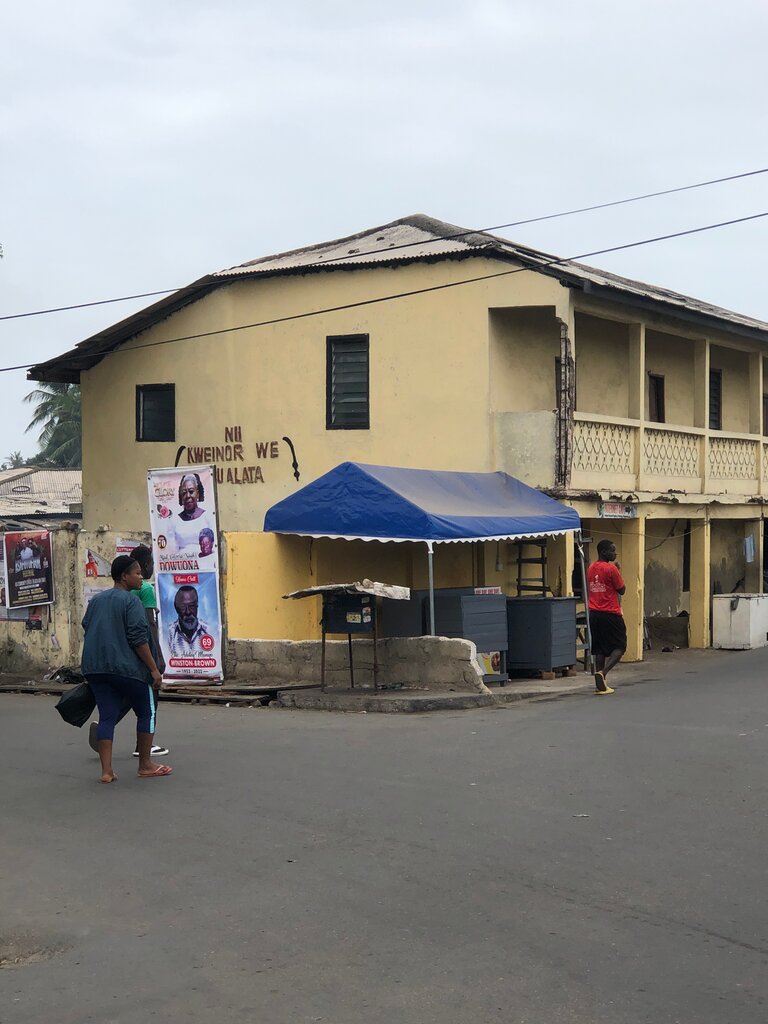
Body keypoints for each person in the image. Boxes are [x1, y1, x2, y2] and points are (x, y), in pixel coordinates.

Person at [81, 555, 172, 782]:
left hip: (95, 669)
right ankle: (146, 764)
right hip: (126, 669)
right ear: (124, 576)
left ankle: (106, 771)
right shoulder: (132, 602)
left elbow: (87, 626)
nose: (141, 578)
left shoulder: (96, 601)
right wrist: (154, 669)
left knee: (106, 717)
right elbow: (138, 639)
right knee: (147, 712)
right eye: (137, 573)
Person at [587, 539, 626, 694]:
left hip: (594, 613)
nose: (615, 553)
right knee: (620, 646)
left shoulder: (591, 568)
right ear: (603, 552)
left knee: (600, 649)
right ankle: (603, 673)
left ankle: (600, 685)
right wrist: (618, 571)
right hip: (610, 613)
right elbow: (622, 589)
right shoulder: (611, 569)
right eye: (612, 550)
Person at [167, 473, 215, 554]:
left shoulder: (208, 517)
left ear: (198, 494)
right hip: (182, 561)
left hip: (205, 560)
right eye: (184, 493)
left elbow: (214, 546)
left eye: (191, 491)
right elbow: (172, 550)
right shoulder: (174, 521)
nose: (188, 496)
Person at [167, 585, 209, 657]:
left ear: (197, 605)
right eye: (183, 607)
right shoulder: (169, 634)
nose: (188, 612)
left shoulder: (209, 631)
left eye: (191, 606)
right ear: (176, 608)